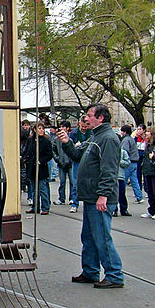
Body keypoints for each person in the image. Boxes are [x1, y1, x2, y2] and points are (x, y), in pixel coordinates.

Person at [58, 103, 124, 288]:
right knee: (89, 236)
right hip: (91, 197)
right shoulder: (96, 137)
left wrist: (103, 195)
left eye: (89, 115)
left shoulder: (108, 139)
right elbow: (78, 155)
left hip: (99, 198)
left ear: (100, 118)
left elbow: (109, 170)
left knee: (102, 236)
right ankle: (91, 271)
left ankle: (114, 275)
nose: (86, 118)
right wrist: (66, 143)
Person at [24, 123, 52, 215]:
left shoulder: (46, 141)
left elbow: (49, 155)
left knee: (42, 189)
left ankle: (45, 207)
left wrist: (41, 161)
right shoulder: (30, 140)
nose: (41, 130)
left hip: (41, 168)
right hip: (31, 167)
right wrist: (25, 159)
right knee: (33, 189)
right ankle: (35, 207)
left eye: (42, 129)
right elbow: (27, 151)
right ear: (35, 130)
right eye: (39, 128)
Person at [67, 116, 92, 213]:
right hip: (77, 160)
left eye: (86, 127)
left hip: (87, 160)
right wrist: (75, 146)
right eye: (83, 127)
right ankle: (74, 203)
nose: (84, 129)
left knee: (88, 182)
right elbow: (69, 146)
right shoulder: (73, 133)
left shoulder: (92, 133)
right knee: (76, 182)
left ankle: (88, 204)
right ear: (79, 124)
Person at [120, 125, 143, 204]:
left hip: (129, 162)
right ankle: (139, 196)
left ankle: (122, 198)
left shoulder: (125, 140)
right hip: (135, 161)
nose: (121, 133)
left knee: (123, 181)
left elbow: (124, 151)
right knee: (134, 180)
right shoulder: (131, 139)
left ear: (125, 132)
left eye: (122, 131)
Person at [52, 120, 73, 205]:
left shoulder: (70, 139)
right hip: (61, 163)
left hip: (70, 163)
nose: (61, 128)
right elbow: (53, 150)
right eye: (61, 126)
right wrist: (57, 159)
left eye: (63, 126)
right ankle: (61, 198)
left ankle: (72, 198)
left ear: (67, 128)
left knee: (72, 182)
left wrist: (71, 160)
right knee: (62, 182)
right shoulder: (56, 139)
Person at [116, 143, 132, 216]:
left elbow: (128, 163)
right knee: (112, 194)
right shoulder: (109, 151)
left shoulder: (123, 152)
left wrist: (120, 161)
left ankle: (124, 209)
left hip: (120, 176)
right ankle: (114, 210)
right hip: (111, 176)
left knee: (121, 193)